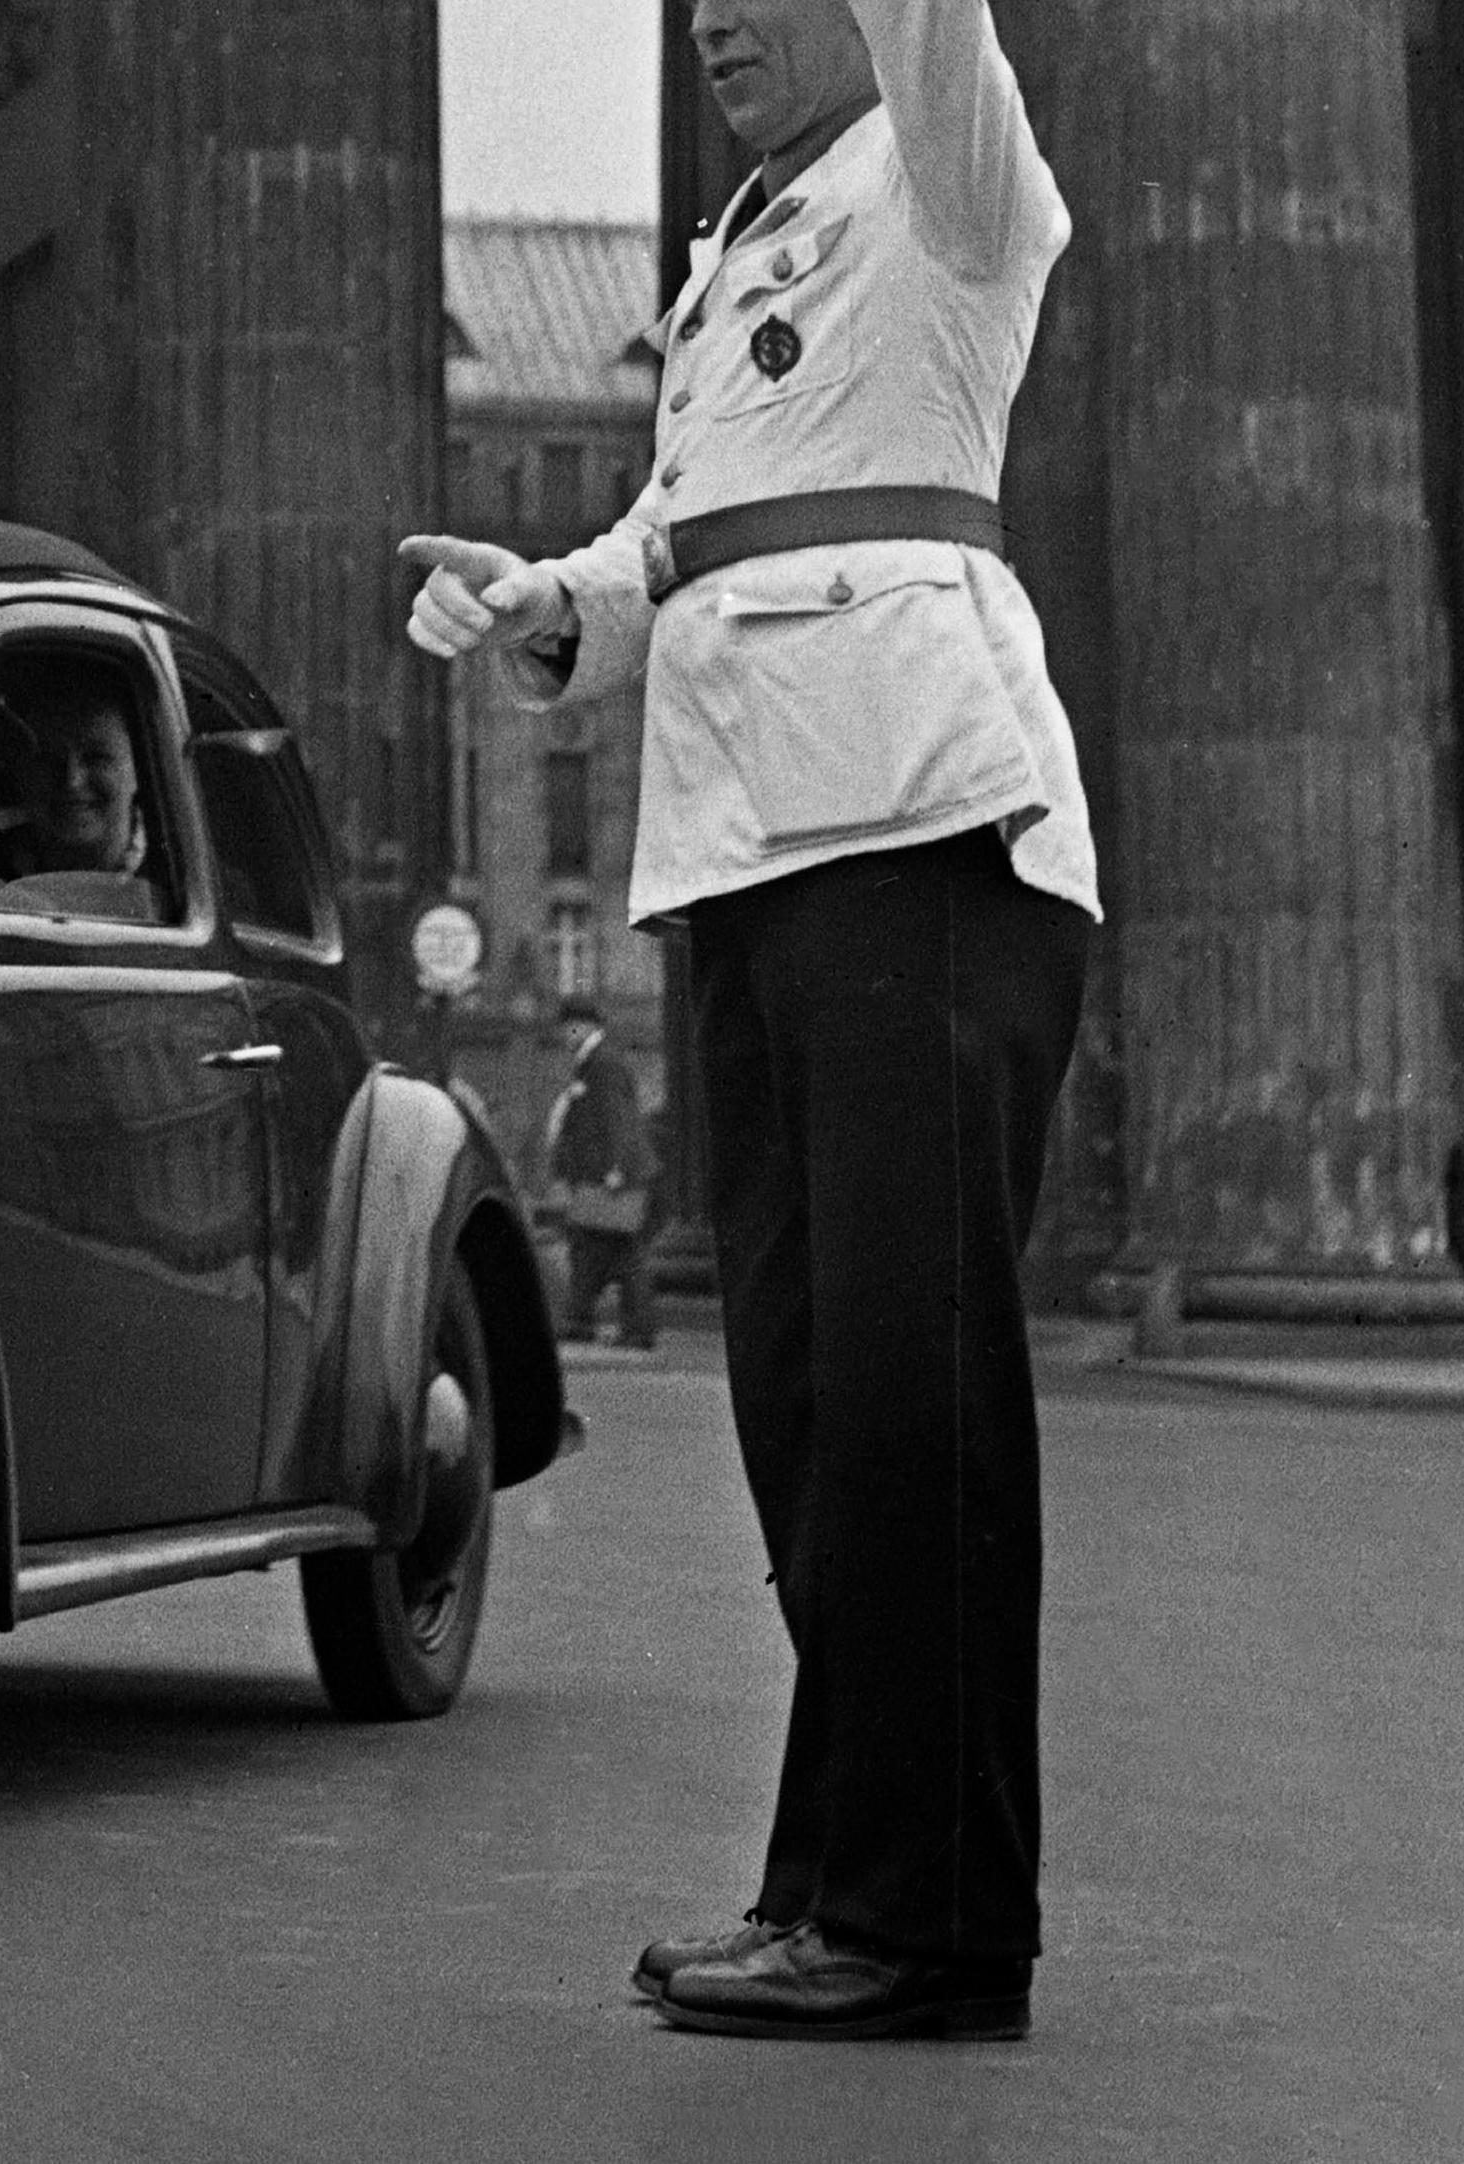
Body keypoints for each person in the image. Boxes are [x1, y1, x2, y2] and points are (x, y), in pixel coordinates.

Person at [399, 0, 1094, 2042]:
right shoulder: (737, 247)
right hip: (749, 850)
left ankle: (932, 1914)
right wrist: (550, 599)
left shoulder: (951, 171)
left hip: (919, 830)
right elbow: (682, 531)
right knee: (806, 1398)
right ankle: (837, 1874)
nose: (713, 22)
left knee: (908, 1393)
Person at [0, 660, 152, 907]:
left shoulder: (178, 879)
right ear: (20, 769)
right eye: (48, 759)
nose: (72, 781)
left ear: (139, 767)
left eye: (97, 758)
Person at [542, 1003, 660, 1348]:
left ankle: (617, 1326)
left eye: (568, 1028)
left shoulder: (602, 1064)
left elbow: (616, 1118)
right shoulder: (595, 1063)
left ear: (582, 1026)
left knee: (614, 1252)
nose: (564, 1036)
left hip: (610, 1178)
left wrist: (616, 1168)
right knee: (602, 1250)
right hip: (603, 1176)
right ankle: (589, 1320)